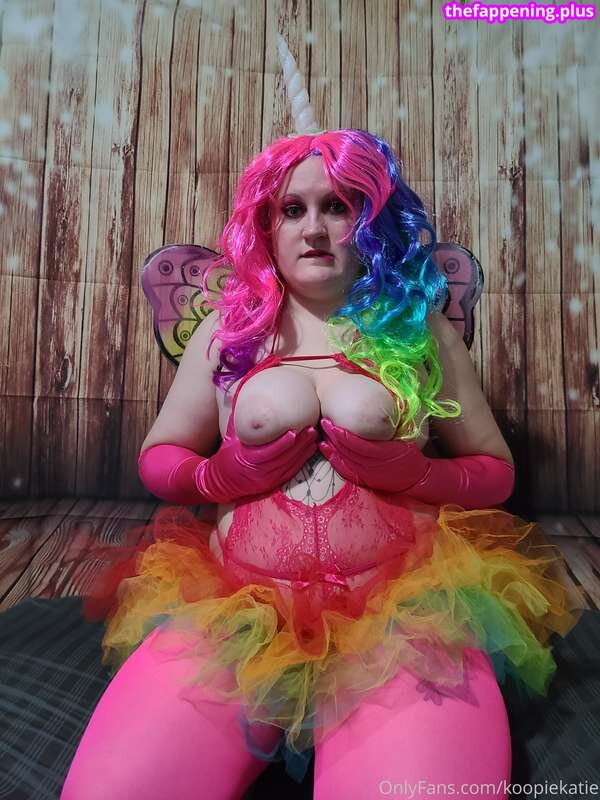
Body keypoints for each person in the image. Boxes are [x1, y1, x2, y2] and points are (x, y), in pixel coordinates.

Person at [60, 128, 581, 800]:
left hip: (403, 621)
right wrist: (215, 477)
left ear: (372, 223)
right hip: (238, 614)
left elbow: (494, 469)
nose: (313, 229)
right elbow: (160, 457)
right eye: (292, 209)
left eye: (337, 206)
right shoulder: (229, 332)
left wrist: (419, 477)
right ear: (265, 226)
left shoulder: (420, 332)